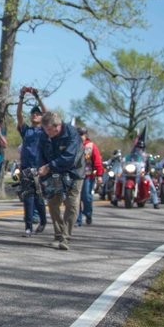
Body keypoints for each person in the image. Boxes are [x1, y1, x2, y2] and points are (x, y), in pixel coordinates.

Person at [38, 111, 85, 250]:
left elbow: (70, 158)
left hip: (74, 171)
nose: (46, 132)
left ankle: (65, 238)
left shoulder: (72, 135)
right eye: (44, 129)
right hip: (54, 171)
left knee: (72, 203)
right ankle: (57, 235)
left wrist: (49, 166)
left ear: (57, 126)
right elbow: (40, 154)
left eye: (48, 130)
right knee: (52, 202)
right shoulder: (44, 135)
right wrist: (43, 170)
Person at [16, 88, 48, 235]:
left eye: (38, 114)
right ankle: (28, 227)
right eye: (33, 114)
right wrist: (21, 97)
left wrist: (37, 97)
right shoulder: (26, 130)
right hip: (26, 168)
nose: (35, 115)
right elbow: (19, 116)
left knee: (39, 200)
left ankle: (42, 221)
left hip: (40, 169)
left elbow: (49, 115)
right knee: (28, 198)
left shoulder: (45, 131)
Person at [76, 127, 103, 225]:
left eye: (81, 134)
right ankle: (78, 219)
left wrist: (99, 175)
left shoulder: (91, 146)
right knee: (76, 198)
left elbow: (98, 162)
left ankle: (88, 214)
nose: (80, 136)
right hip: (76, 176)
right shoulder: (73, 145)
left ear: (85, 135)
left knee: (86, 197)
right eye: (78, 134)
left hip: (88, 176)